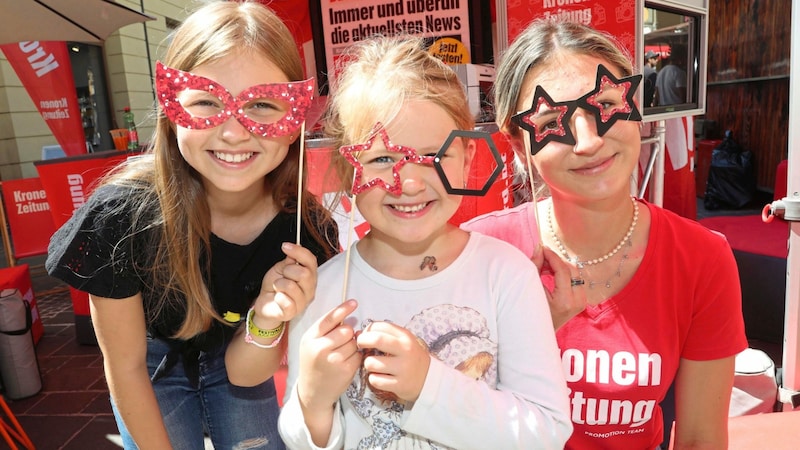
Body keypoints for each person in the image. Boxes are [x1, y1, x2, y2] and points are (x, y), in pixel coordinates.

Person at [45, 1, 338, 448]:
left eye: (262, 104)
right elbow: (124, 368)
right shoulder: (120, 217)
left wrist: (265, 319)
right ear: (170, 106)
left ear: (295, 117)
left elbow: (249, 372)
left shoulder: (303, 229)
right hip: (151, 365)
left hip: (240, 350)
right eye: (206, 101)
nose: (235, 132)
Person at [272, 35, 572, 449]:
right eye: (381, 159)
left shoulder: (506, 274)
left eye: (434, 155)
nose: (409, 183)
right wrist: (313, 400)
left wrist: (429, 386)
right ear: (346, 171)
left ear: (467, 159)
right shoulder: (323, 292)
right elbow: (303, 438)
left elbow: (546, 431)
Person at [461, 19, 747, 449]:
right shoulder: (479, 254)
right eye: (552, 121)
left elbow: (701, 438)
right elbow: (446, 414)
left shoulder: (701, 258)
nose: (588, 141)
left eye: (606, 104)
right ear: (519, 144)